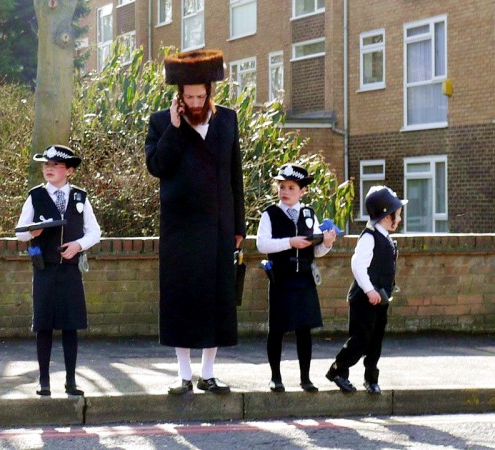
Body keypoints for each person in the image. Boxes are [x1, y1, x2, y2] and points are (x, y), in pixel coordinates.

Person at [144, 49, 246, 395]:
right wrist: (173, 129)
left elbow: (236, 177)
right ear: (179, 97)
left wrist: (238, 227)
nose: (195, 101)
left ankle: (208, 372)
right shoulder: (161, 122)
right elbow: (158, 167)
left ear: (209, 92)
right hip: (180, 228)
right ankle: (183, 374)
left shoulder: (228, 120)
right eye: (189, 97)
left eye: (201, 95)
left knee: (216, 299)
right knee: (182, 299)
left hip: (218, 225)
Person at [16, 145, 101, 396]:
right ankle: (44, 381)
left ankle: (71, 381)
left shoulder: (80, 197)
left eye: (55, 165)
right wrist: (33, 231)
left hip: (70, 270)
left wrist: (78, 245)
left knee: (70, 325)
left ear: (69, 170)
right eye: (46, 165)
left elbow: (94, 232)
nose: (48, 169)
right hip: (44, 269)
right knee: (43, 325)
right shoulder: (35, 196)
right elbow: (20, 232)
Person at [256, 163, 337, 393]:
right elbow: (262, 244)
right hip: (281, 278)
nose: (285, 191)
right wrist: (289, 243)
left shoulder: (309, 214)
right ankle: (275, 377)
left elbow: (315, 251)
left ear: (302, 191)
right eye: (282, 186)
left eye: (291, 187)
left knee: (304, 329)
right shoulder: (270, 214)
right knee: (277, 329)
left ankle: (305, 378)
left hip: (304, 279)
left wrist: (327, 244)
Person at [326, 185, 407, 394]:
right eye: (397, 215)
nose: (399, 219)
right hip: (364, 298)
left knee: (376, 340)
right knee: (360, 339)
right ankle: (338, 370)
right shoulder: (369, 237)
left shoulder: (386, 238)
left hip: (380, 297)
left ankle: (371, 378)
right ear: (386, 216)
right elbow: (357, 265)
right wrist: (370, 290)